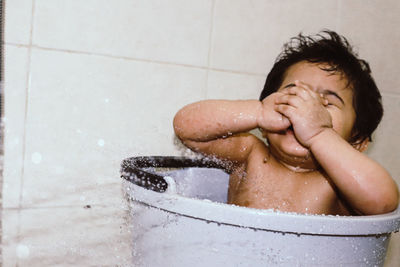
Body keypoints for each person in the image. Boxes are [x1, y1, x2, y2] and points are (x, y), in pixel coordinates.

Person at [173, 30, 399, 215]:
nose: (304, 111)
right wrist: (258, 111)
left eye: (326, 104)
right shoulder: (250, 155)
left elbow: (383, 202)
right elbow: (187, 128)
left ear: (356, 141)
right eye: (292, 95)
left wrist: (319, 133)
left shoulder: (340, 186)